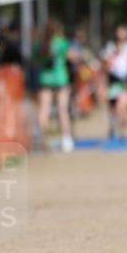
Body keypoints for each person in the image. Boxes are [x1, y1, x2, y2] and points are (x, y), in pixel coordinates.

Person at [35, 18, 75, 152]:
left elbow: (34, 60)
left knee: (44, 111)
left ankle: (44, 140)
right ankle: (66, 139)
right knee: (62, 109)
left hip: (45, 80)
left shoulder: (39, 44)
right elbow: (71, 57)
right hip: (61, 79)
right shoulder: (62, 42)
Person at [104, 25, 127, 139]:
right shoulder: (110, 46)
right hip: (113, 79)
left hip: (124, 79)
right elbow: (106, 64)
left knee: (121, 106)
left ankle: (123, 131)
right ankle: (112, 127)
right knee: (112, 106)